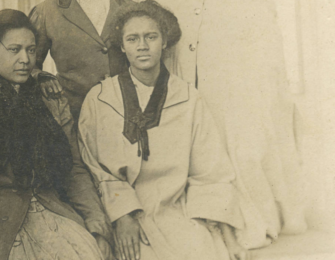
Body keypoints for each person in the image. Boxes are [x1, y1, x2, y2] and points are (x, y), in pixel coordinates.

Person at [0, 9, 113, 260]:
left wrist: (96, 225)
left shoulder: (50, 101)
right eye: (14, 49)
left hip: (52, 212)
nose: (25, 59)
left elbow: (74, 168)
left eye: (31, 50)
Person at [78, 1, 250, 259]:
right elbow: (94, 168)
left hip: (174, 210)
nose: (143, 46)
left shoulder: (189, 99)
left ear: (165, 42)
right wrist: (123, 215)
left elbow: (209, 172)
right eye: (133, 39)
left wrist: (228, 238)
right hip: (119, 211)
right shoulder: (100, 98)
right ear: (122, 46)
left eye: (151, 37)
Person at [156, 0, 307, 245]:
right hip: (188, 52)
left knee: (240, 138)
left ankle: (250, 216)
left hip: (232, 62)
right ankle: (206, 211)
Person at [29, 0, 132, 120]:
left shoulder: (128, 6)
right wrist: (41, 77)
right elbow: (28, 64)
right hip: (74, 115)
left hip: (124, 113)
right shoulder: (46, 11)